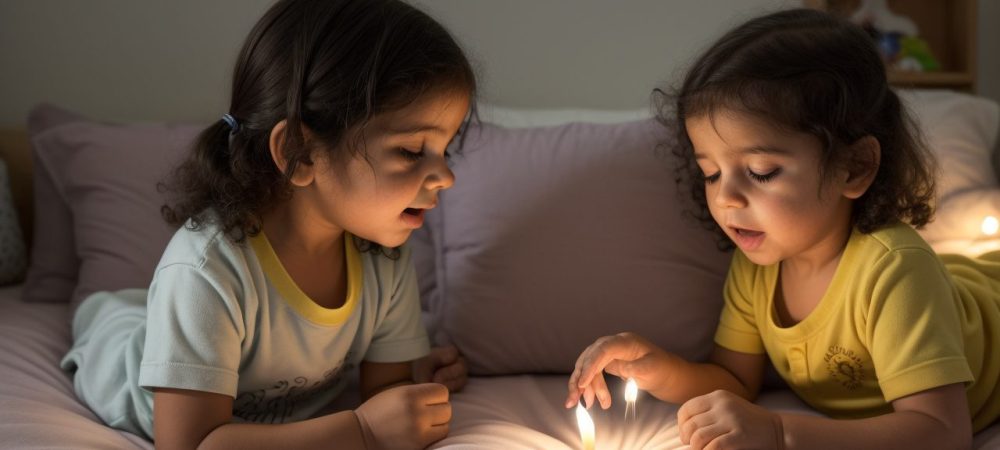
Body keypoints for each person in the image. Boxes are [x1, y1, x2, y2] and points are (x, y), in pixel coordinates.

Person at [565, 8, 1000, 450]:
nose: (726, 198)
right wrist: (658, 369)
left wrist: (780, 432)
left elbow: (942, 433)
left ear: (855, 167)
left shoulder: (894, 272)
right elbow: (735, 381)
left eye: (761, 171)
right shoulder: (757, 264)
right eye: (711, 173)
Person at [60, 0, 476, 448]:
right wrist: (362, 431)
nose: (446, 177)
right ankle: (101, 310)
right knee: (115, 317)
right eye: (413, 151)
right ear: (300, 151)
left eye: (446, 150)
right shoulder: (205, 272)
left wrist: (413, 385)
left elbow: (386, 398)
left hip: (192, 320)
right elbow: (191, 443)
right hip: (119, 354)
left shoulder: (384, 256)